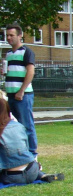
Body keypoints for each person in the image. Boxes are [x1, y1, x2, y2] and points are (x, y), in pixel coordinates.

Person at [0, 96, 63, 185]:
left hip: (12, 176)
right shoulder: (18, 126)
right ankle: (42, 175)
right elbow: (26, 148)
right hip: (32, 169)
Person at [3, 24, 38, 158]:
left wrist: (21, 90)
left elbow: (30, 72)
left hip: (23, 96)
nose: (8, 38)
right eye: (7, 35)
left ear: (20, 35)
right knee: (11, 126)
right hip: (10, 95)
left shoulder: (27, 52)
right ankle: (17, 152)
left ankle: (33, 154)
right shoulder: (9, 54)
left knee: (27, 125)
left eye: (11, 35)